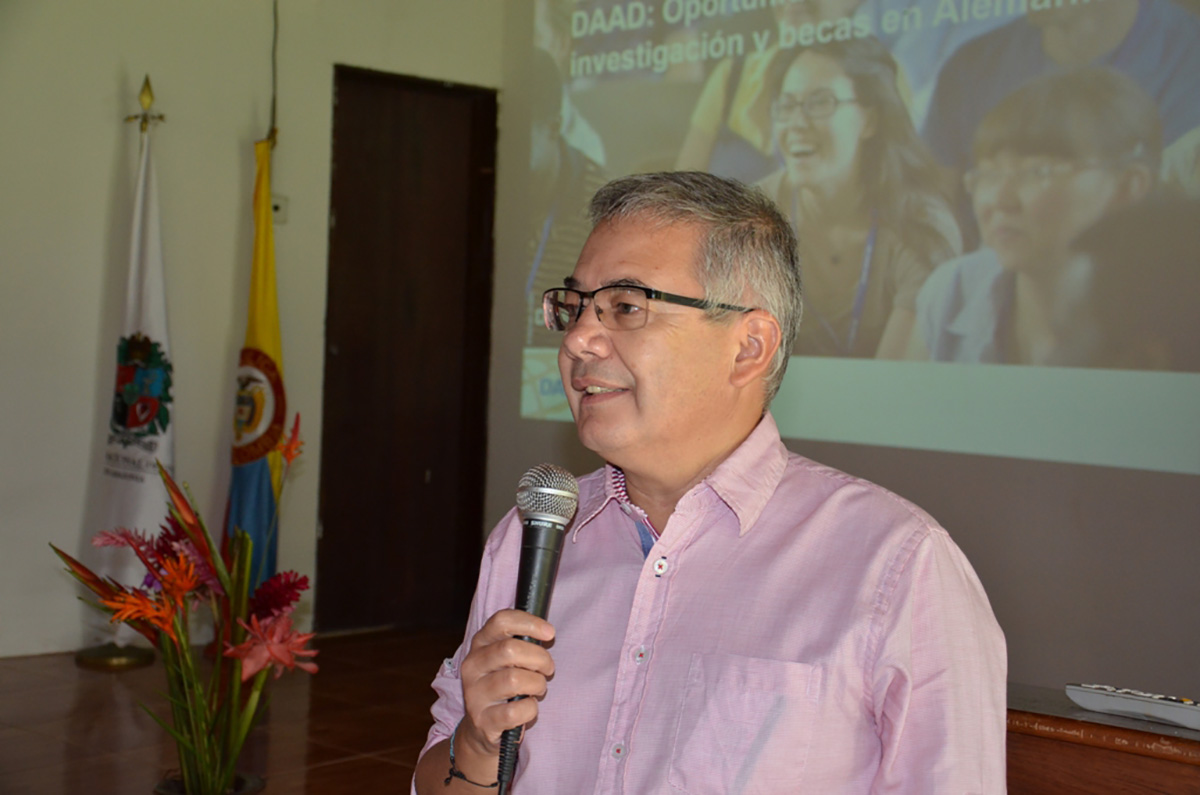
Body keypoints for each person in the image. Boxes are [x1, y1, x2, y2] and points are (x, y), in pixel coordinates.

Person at [413, 171, 1007, 793]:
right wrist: (478, 745)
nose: (579, 340)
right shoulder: (529, 539)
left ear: (749, 347)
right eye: (575, 306)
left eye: (625, 307)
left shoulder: (897, 564)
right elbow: (435, 780)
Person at [910, 68, 1160, 365]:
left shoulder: (1174, 317)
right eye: (989, 174)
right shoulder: (954, 290)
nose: (1000, 201)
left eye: (1038, 172)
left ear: (1128, 187)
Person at [756, 38, 961, 358]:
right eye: (787, 106)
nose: (796, 123)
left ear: (870, 120)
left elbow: (897, 384)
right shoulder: (749, 216)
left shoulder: (922, 226)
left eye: (820, 103)